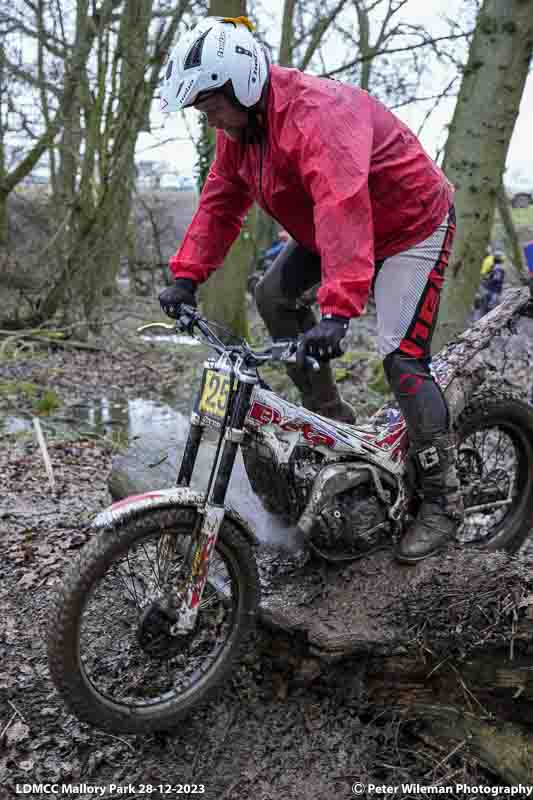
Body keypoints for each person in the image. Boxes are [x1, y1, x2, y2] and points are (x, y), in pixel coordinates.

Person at [158, 16, 461, 564]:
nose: (208, 121)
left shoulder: (320, 114)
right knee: (273, 296)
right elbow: (221, 201)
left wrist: (337, 312)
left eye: (211, 107)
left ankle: (443, 501)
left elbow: (343, 203)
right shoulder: (241, 133)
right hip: (331, 228)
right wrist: (187, 276)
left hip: (411, 224)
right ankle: (332, 423)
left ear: (242, 87)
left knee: (401, 357)